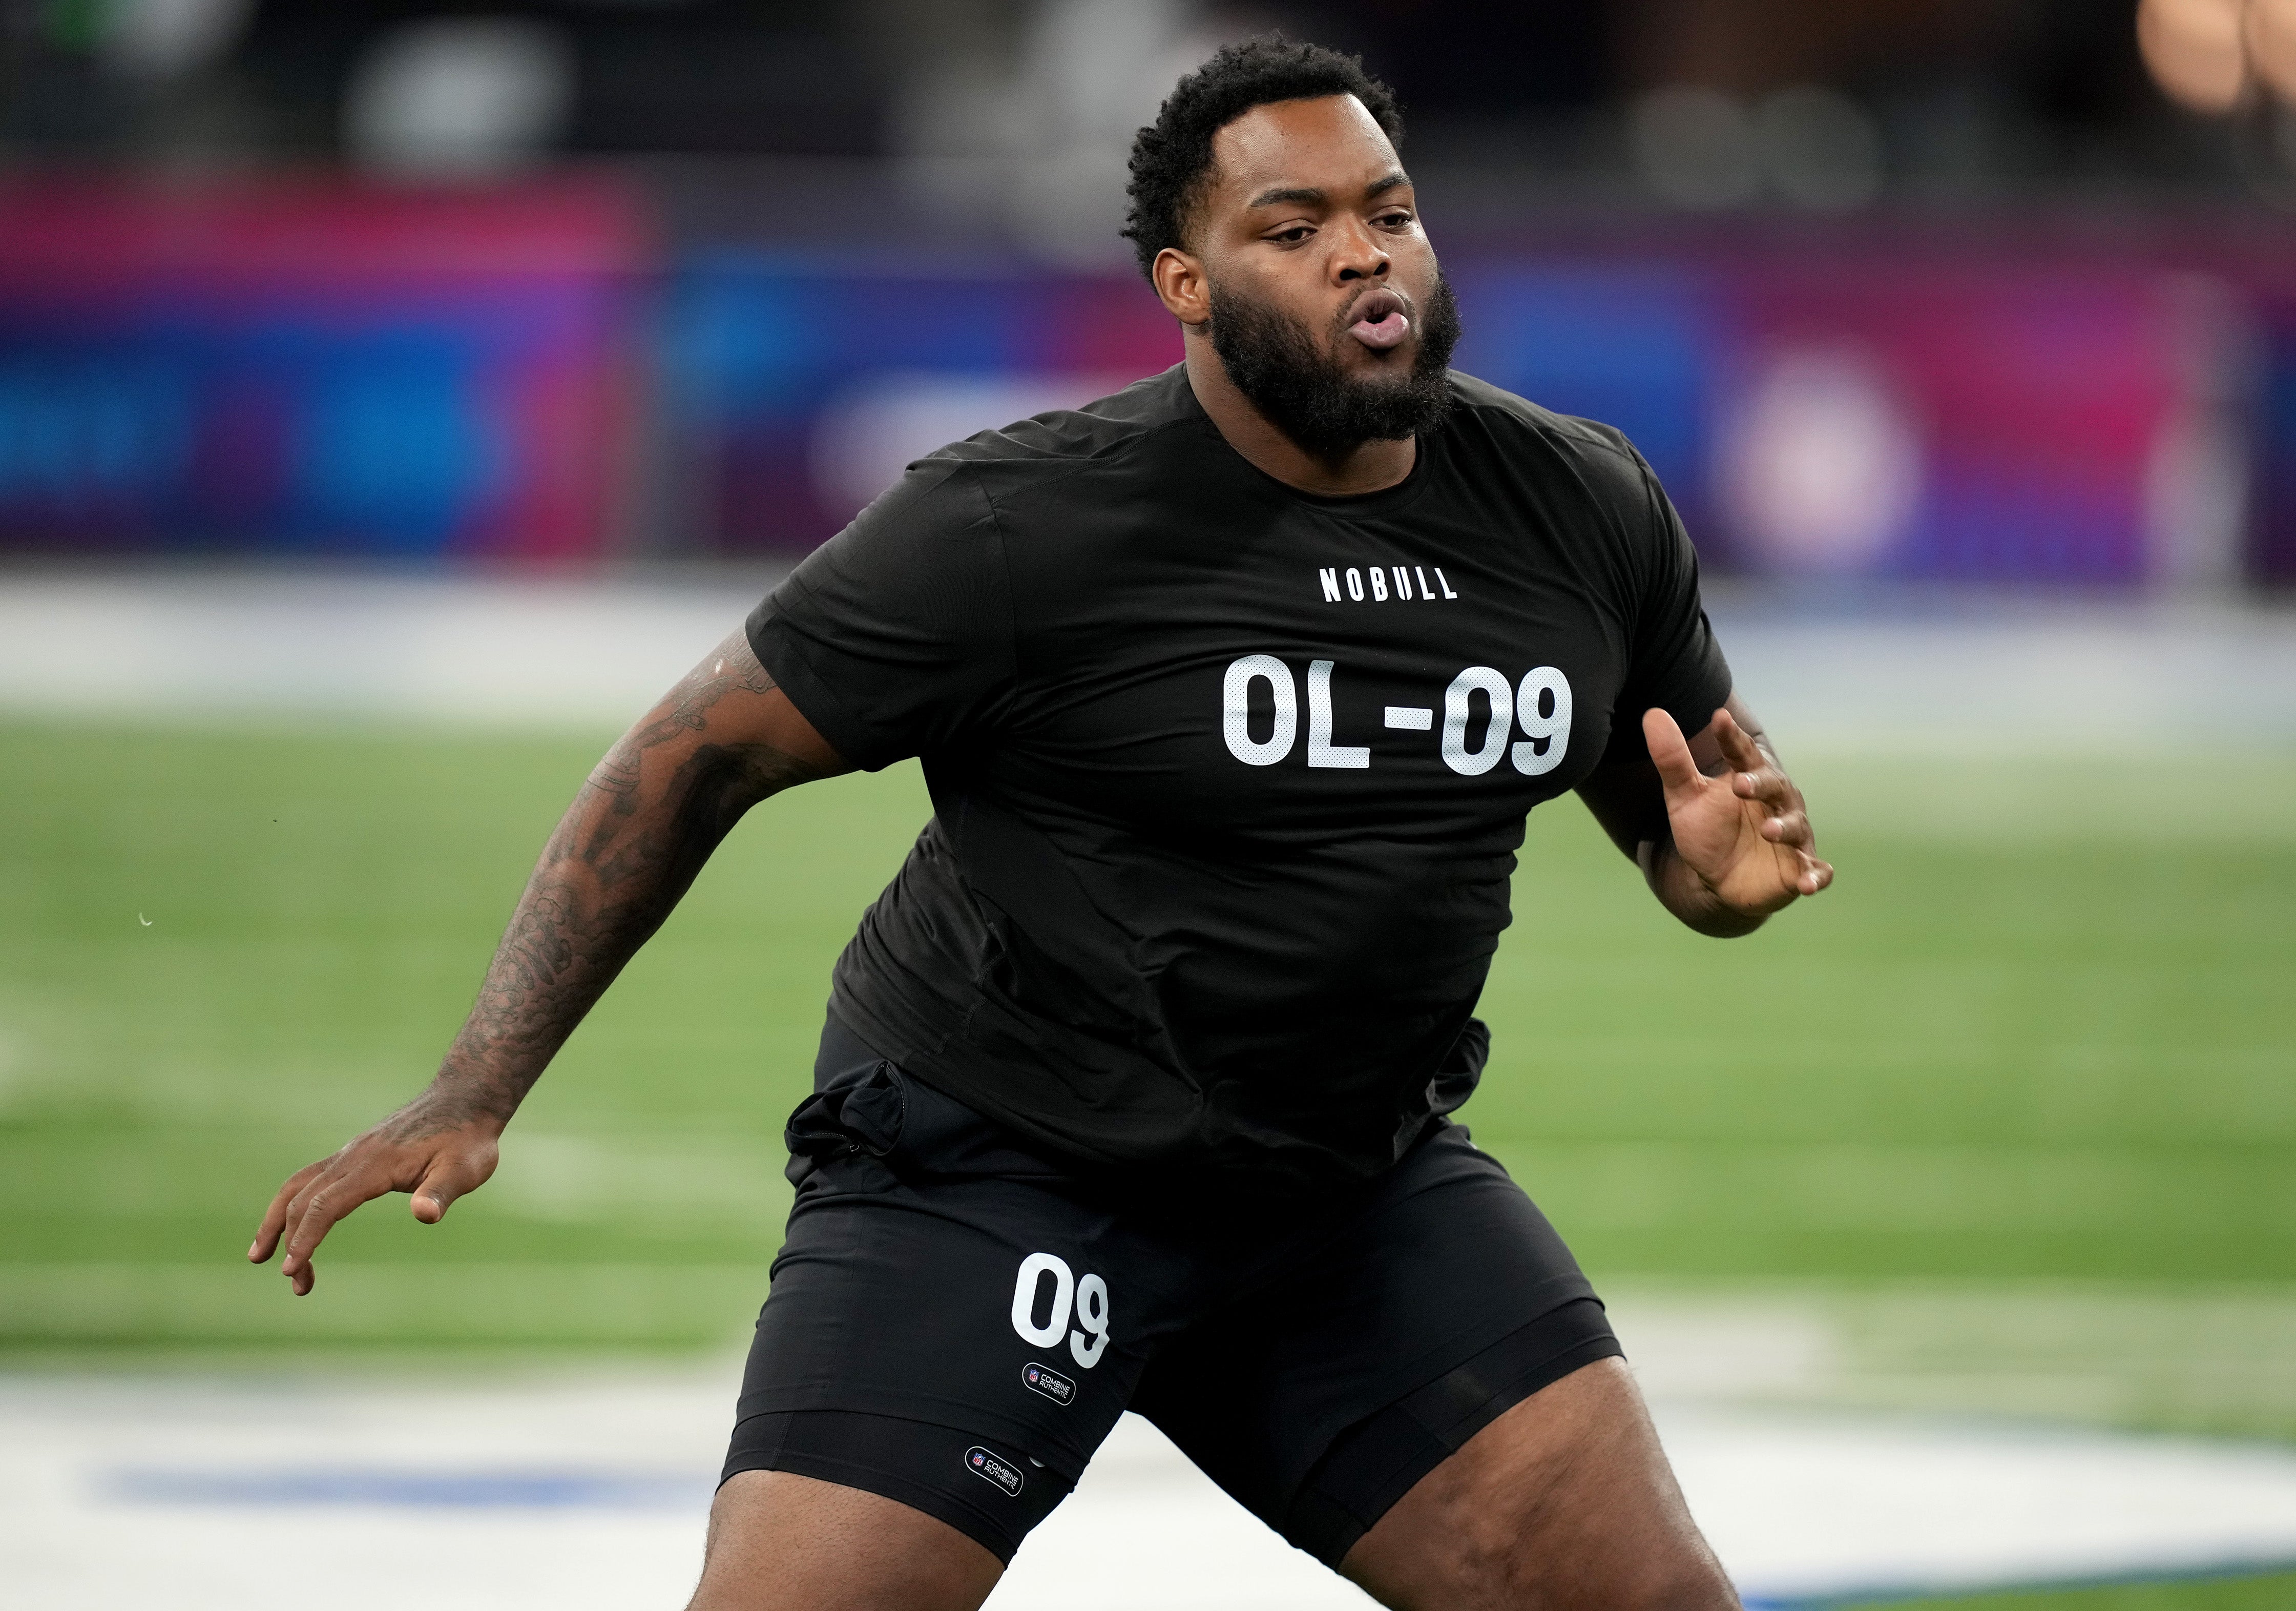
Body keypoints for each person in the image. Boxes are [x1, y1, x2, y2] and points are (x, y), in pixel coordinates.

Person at [248, 36, 1831, 1611]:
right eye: (1292, 229)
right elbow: (684, 760)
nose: (1364, 252)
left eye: (1389, 208)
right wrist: (471, 1087)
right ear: (1184, 284)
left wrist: (1716, 886)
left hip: (1351, 1192)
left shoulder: (1582, 505)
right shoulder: (1022, 525)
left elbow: (1681, 828)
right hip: (1000, 1170)